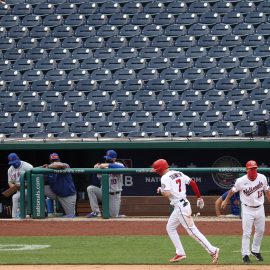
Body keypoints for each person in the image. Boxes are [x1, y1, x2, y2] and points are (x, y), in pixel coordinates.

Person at [152, 159, 220, 264]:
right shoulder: (178, 173)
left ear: (160, 169)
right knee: (170, 227)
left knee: (192, 231)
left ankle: (213, 250)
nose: (156, 172)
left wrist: (160, 190)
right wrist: (199, 197)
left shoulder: (164, 177)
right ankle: (180, 253)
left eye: (157, 170)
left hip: (180, 207)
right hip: (182, 204)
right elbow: (192, 183)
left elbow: (167, 193)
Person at [221, 160, 270, 263]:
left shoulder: (262, 178)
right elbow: (232, 191)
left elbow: (267, 191)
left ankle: (255, 250)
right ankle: (245, 255)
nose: (253, 170)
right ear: (247, 169)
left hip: (260, 208)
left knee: (260, 231)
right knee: (247, 233)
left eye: (255, 168)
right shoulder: (241, 180)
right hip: (247, 209)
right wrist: (226, 200)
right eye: (251, 169)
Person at [86, 149, 125, 218]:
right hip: (103, 193)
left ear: (114, 158)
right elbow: (96, 180)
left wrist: (107, 165)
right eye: (107, 158)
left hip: (114, 195)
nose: (107, 159)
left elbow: (122, 168)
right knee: (90, 188)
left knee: (113, 215)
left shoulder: (119, 164)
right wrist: (96, 169)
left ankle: (115, 213)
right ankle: (96, 212)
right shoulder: (101, 166)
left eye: (109, 158)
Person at [43, 153, 77, 218]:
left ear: (59, 159)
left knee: (71, 217)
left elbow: (61, 166)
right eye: (53, 160)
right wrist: (44, 169)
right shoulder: (48, 170)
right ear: (50, 161)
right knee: (39, 188)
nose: (54, 162)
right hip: (55, 193)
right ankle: (44, 212)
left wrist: (50, 166)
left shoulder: (65, 165)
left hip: (67, 196)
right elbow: (43, 182)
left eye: (56, 160)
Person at [7, 153, 33, 219]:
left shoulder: (27, 166)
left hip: (29, 189)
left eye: (15, 162)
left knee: (15, 197)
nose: (14, 164)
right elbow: (9, 181)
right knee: (22, 207)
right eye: (12, 163)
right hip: (19, 190)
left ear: (18, 158)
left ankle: (14, 217)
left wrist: (23, 185)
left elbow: (34, 180)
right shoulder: (10, 170)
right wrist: (12, 185)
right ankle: (19, 217)